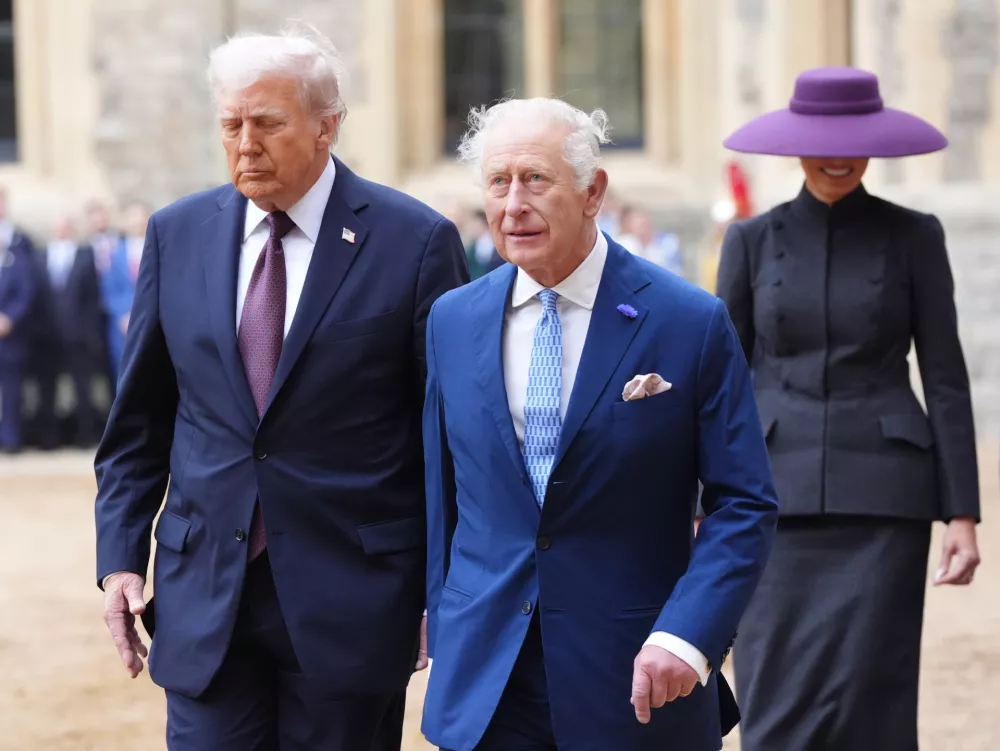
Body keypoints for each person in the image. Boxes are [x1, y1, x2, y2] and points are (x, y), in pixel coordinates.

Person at [94, 24, 469, 751]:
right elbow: (139, 420)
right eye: (230, 124)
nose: (244, 143)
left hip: (353, 601)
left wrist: (440, 587)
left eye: (266, 123)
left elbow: (450, 438)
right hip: (204, 596)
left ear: (328, 126)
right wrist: (118, 559)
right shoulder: (178, 235)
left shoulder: (415, 242)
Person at [420, 97, 778, 751]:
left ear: (593, 192)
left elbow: (744, 503)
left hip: (636, 679)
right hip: (486, 685)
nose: (513, 203)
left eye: (535, 179)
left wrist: (687, 634)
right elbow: (443, 489)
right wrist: (444, 623)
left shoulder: (688, 321)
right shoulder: (452, 319)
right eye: (498, 182)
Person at [717, 66, 982, 751]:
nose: (838, 156)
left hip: (885, 502)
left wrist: (962, 512)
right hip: (770, 497)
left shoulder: (916, 235)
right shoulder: (750, 240)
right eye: (821, 141)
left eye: (853, 141)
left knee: (874, 699)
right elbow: (722, 382)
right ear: (794, 144)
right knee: (773, 692)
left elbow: (946, 377)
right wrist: (702, 497)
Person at [33, 214, 106, 448]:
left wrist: (90, 331)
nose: (61, 230)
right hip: (48, 335)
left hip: (78, 335)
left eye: (65, 226)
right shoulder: (41, 255)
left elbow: (93, 298)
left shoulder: (85, 255)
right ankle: (48, 438)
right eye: (57, 226)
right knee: (46, 388)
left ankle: (86, 436)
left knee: (82, 387)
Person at [0, 198, 36, 454]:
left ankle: (11, 440)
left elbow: (27, 288)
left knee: (12, 390)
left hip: (9, 332)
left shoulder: (19, 242)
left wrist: (9, 318)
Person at [101, 199, 150, 387]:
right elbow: (110, 289)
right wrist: (123, 314)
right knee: (123, 379)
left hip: (151, 324)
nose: (136, 223)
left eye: (141, 218)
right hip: (122, 328)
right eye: (132, 218)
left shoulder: (159, 249)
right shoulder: (115, 253)